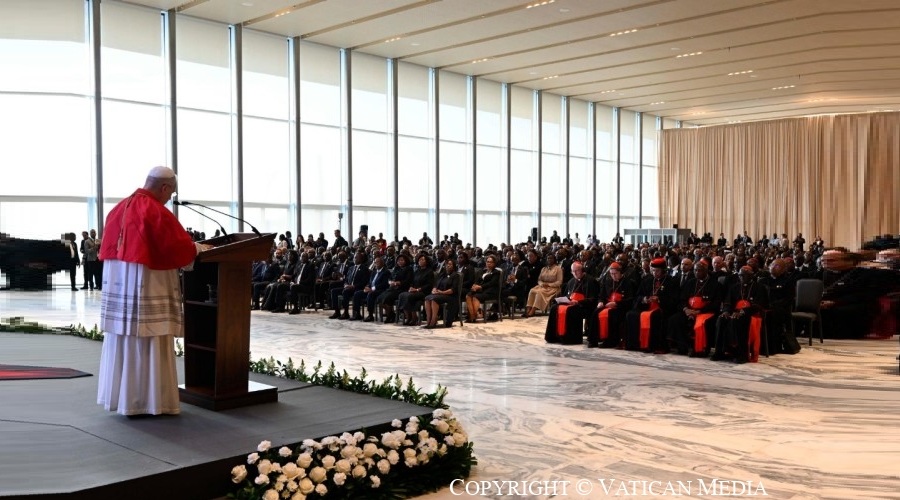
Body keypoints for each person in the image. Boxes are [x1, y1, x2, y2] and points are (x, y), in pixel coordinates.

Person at [97, 166, 212, 416]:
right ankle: (151, 402)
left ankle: (124, 399)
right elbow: (178, 248)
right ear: (164, 187)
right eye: (171, 193)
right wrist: (198, 248)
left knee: (126, 339)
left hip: (123, 291)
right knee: (151, 339)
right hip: (148, 286)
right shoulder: (155, 211)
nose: (170, 198)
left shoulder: (118, 209)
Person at [544, 261, 599, 345]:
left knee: (571, 310)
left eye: (577, 271)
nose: (575, 273)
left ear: (582, 270)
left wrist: (578, 302)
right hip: (571, 304)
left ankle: (571, 339)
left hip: (585, 306)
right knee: (554, 308)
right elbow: (567, 295)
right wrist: (564, 300)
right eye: (573, 271)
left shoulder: (591, 281)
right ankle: (554, 337)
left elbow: (593, 299)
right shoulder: (571, 281)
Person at [423, 259, 460, 329]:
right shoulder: (443, 274)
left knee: (434, 299)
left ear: (454, 266)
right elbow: (436, 285)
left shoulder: (455, 275)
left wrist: (442, 292)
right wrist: (434, 289)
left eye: (450, 264)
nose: (448, 266)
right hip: (440, 294)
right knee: (427, 298)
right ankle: (429, 320)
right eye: (447, 264)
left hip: (450, 296)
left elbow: (453, 290)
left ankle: (433, 320)